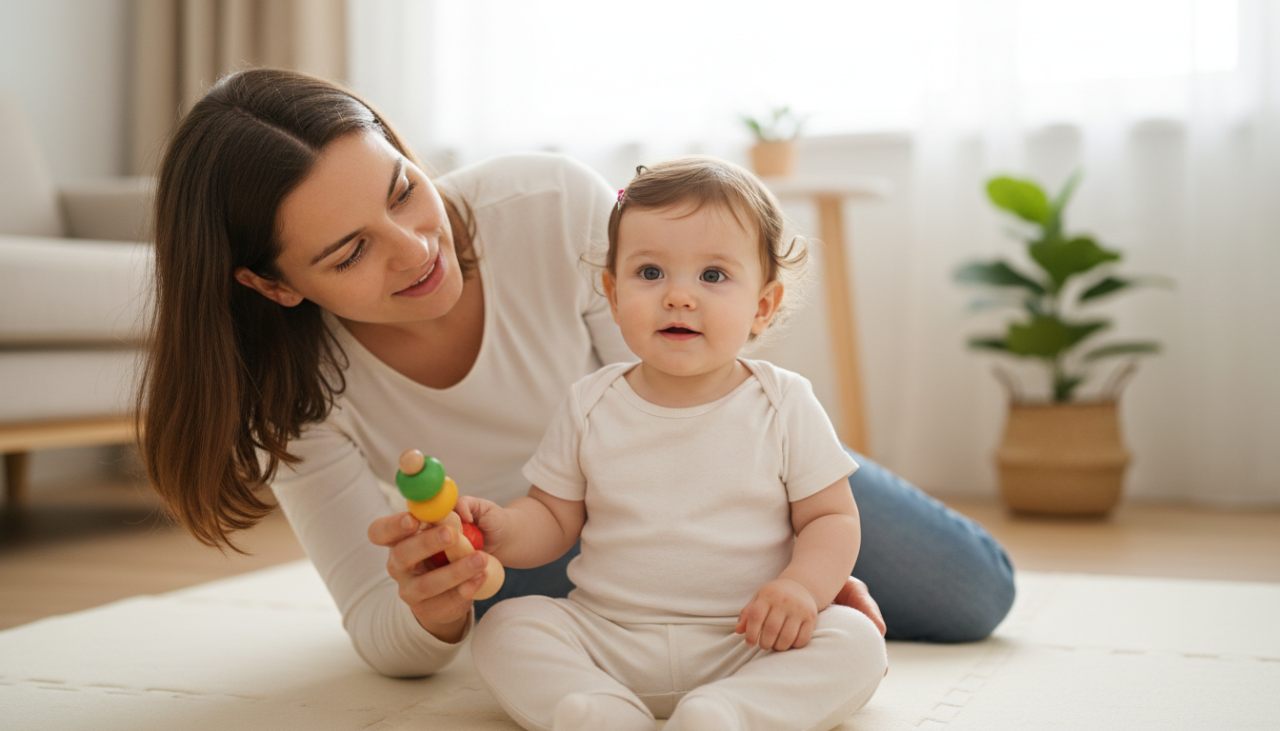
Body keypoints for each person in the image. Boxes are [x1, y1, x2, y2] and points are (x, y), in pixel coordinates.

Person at [138, 68, 1015, 681]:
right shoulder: (290, 392)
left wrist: (778, 550)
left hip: (710, 473)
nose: (416, 249)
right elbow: (381, 630)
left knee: (973, 591)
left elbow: (687, 394)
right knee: (513, 625)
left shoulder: (549, 203)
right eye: (350, 250)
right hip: (528, 553)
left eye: (403, 190)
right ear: (274, 283)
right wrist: (438, 601)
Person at [460, 157, 887, 731]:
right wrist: (503, 530)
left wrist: (800, 589)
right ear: (612, 295)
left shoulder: (783, 402)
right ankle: (598, 711)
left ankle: (730, 713)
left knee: (855, 638)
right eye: (651, 273)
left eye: (713, 276)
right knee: (507, 626)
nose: (679, 297)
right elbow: (552, 518)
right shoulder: (590, 402)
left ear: (762, 306)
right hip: (608, 637)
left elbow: (832, 518)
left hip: (748, 640)